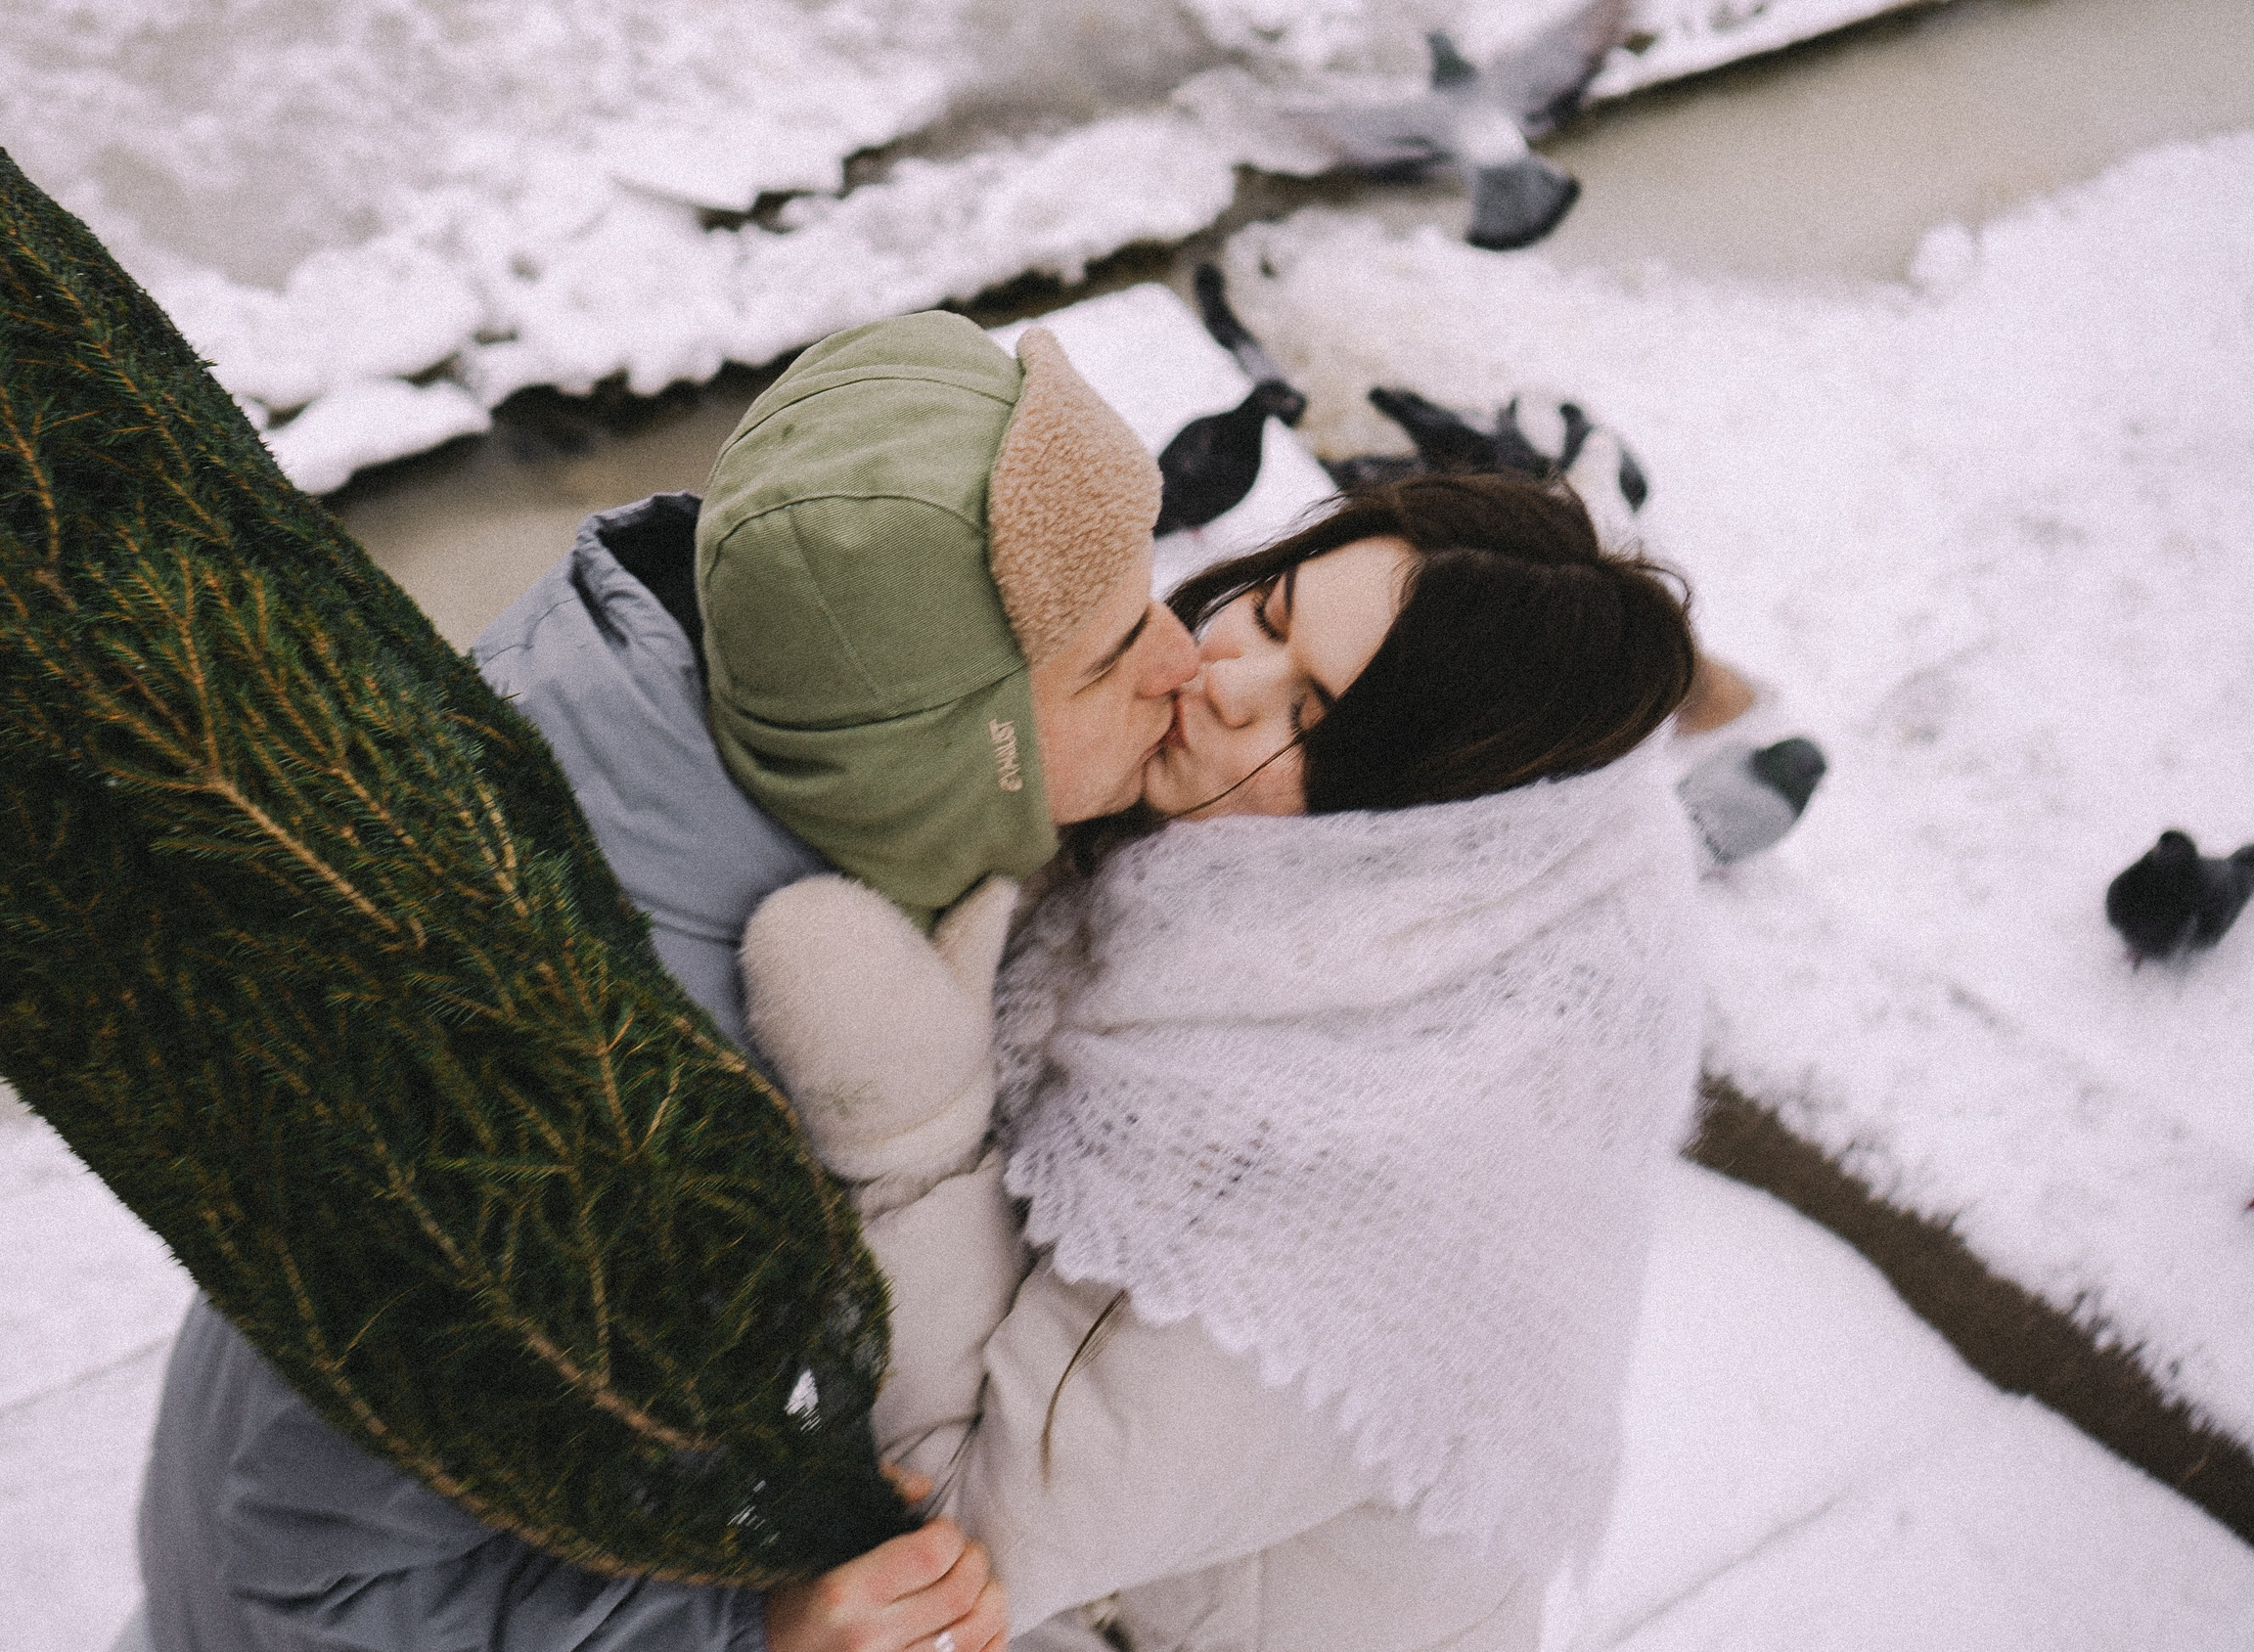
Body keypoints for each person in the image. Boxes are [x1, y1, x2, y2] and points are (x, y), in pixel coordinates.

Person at [134, 309, 1191, 1652]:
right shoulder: (567, 1083)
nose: (1186, 660)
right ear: (940, 759)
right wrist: (748, 1635)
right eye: (1111, 655)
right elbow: (314, 1580)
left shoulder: (705, 721)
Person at [741, 472, 1707, 1651]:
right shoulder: (1292, 914)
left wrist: (906, 1133)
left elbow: (955, 1548)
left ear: (1416, 829)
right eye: (1268, 610)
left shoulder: (1317, 1189)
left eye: (1311, 718)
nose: (1223, 679)